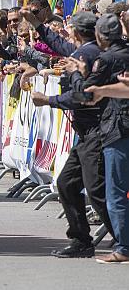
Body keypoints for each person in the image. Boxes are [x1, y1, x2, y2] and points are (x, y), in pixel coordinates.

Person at [26, 11, 108, 259]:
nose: (67, 32)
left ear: (77, 32)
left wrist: (48, 100)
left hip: (97, 131)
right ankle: (82, 240)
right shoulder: (84, 50)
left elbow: (81, 96)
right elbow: (60, 45)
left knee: (97, 192)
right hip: (87, 133)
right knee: (68, 183)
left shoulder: (87, 54)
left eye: (71, 28)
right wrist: (38, 26)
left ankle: (123, 240)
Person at [68, 13, 129, 263]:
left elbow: (85, 95)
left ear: (100, 36)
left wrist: (77, 74)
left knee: (114, 190)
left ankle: (124, 248)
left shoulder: (105, 59)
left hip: (117, 128)